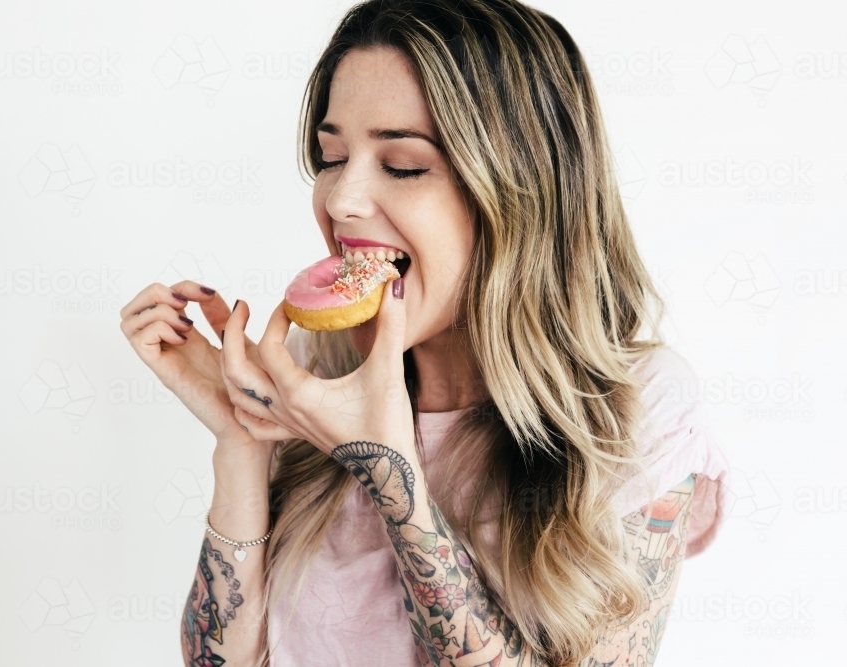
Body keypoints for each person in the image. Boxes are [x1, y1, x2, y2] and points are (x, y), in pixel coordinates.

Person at [119, 1, 730, 665]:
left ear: (521, 193)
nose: (341, 199)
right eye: (330, 156)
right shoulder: (309, 384)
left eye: (403, 164)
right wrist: (240, 438)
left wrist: (389, 472)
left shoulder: (639, 413)